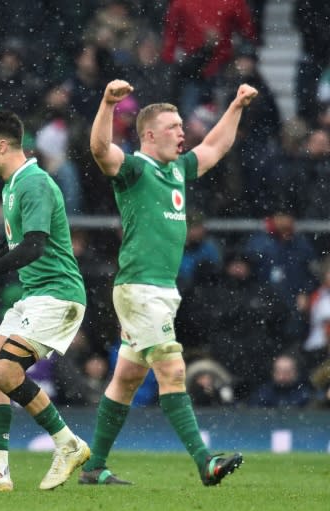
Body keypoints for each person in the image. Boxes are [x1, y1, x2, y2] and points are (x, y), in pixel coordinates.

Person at [83, 79, 258, 486]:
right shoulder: (134, 169)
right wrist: (108, 103)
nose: (183, 131)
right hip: (139, 288)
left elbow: (215, 148)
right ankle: (205, 462)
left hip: (162, 290)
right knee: (173, 372)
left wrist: (235, 106)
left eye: (182, 125)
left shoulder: (177, 168)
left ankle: (94, 467)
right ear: (149, 134)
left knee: (126, 379)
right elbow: (98, 150)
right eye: (174, 126)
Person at [0, 110, 90, 492]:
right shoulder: (11, 185)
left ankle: (69, 444)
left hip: (58, 296)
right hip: (34, 296)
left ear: (2, 145)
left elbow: (34, 245)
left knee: (7, 372)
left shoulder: (34, 183)